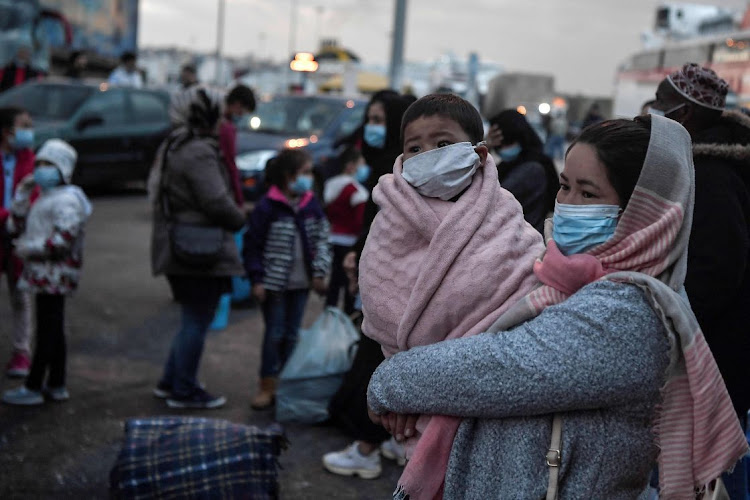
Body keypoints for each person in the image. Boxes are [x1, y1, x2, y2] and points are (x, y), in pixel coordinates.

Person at [367, 116, 748, 499]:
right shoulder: (562, 278)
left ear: (644, 214)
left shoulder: (630, 310)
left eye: (588, 194)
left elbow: (499, 367)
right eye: (565, 185)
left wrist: (390, 382)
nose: (566, 203)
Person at [357, 93, 544, 493]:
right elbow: (379, 301)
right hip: (406, 395)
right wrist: (400, 385)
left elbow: (526, 291)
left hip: (486, 396)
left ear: (477, 153)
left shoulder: (505, 217)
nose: (428, 154)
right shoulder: (390, 216)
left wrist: (419, 384)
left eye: (443, 144)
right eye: (415, 147)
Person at [650, 63, 750, 498]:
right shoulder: (719, 165)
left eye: (659, 103)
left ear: (683, 114)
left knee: (715, 461)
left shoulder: (711, 176)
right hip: (729, 346)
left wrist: (671, 322)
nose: (653, 110)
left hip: (715, 351)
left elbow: (716, 268)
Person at [322, 93, 412, 479]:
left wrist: (362, 259)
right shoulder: (380, 163)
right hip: (376, 272)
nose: (373, 126)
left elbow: (386, 230)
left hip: (388, 281)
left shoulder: (398, 171)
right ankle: (390, 439)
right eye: (369, 117)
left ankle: (366, 448)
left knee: (372, 361)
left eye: (380, 118)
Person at [150, 86, 246, 409]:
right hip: (197, 249)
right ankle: (184, 389)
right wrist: (239, 218)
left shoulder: (177, 144)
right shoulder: (198, 151)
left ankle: (171, 381)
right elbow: (216, 200)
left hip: (182, 244)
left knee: (191, 318)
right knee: (197, 320)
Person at [2, 139, 92, 406]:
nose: (40, 170)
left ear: (63, 168)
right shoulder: (44, 197)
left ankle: (34, 385)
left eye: (48, 165)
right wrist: (20, 196)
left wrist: (31, 249)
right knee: (53, 328)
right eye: (39, 164)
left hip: (54, 274)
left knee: (47, 330)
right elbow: (15, 226)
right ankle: (56, 383)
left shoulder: (68, 200)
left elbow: (63, 239)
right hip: (43, 275)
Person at [243, 149, 331, 410]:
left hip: (301, 285)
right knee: (275, 334)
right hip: (274, 286)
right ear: (287, 175)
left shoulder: (311, 205)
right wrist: (256, 279)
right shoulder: (267, 207)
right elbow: (253, 246)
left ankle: (287, 385)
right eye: (304, 173)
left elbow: (322, 240)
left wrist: (319, 272)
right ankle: (267, 386)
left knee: (292, 335)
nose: (308, 178)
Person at [0, 107, 35, 378]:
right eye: (24, 125)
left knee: (21, 295)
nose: (29, 131)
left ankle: (21, 352)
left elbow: (35, 195)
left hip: (19, 235)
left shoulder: (30, 159)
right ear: (7, 131)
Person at [485, 109, 559, 233]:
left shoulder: (533, 168)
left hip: (523, 239)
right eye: (499, 145)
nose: (503, 149)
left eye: (506, 142)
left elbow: (489, 198)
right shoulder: (508, 165)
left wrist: (483, 153)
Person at [323, 146, 369, 314]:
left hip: (333, 238)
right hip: (350, 243)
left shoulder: (330, 185)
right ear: (351, 166)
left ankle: (329, 317)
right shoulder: (356, 191)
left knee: (335, 283)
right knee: (350, 284)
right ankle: (347, 321)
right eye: (361, 164)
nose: (364, 169)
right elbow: (359, 222)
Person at [220, 84, 256, 207]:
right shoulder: (226, 128)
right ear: (237, 104)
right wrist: (239, 200)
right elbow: (230, 164)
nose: (240, 116)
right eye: (241, 112)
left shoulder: (220, 121)